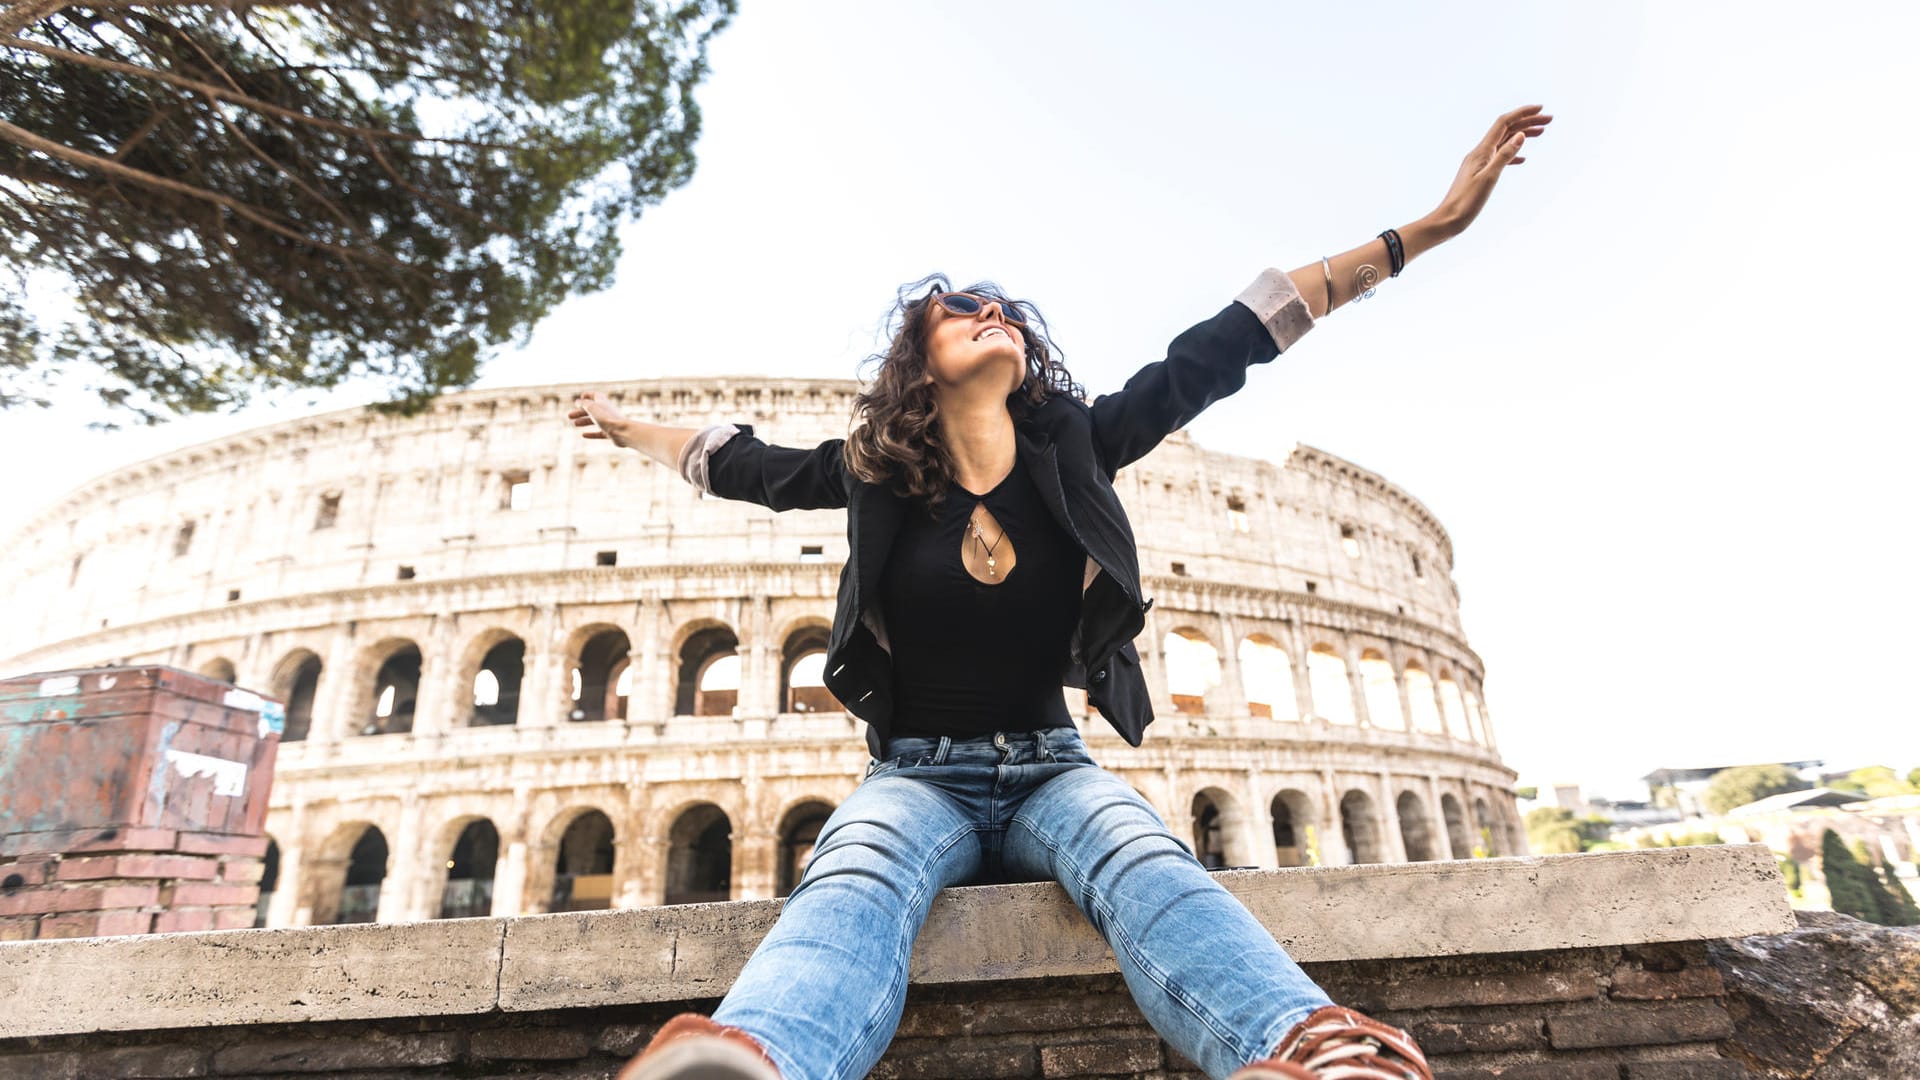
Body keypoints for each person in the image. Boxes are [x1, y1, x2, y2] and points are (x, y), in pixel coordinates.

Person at [568, 105, 1552, 1080]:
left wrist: (1428, 226)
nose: (989, 313)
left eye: (1003, 309)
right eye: (958, 310)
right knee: (853, 873)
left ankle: (1321, 1059)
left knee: (1147, 862)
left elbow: (1235, 336)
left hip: (1053, 766)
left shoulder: (1077, 442)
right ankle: (755, 1065)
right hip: (915, 774)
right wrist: (624, 428)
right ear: (917, 361)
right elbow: (734, 462)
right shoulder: (872, 471)